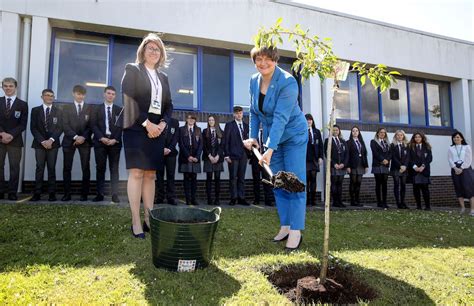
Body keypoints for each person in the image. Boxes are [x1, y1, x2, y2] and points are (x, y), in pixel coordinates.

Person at [243, 46, 307, 251]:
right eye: (258, 59)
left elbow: (280, 118)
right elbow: (254, 111)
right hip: (273, 137)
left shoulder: (288, 82)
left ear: (276, 60)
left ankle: (296, 230)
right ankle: (286, 225)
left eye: (267, 59)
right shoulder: (254, 80)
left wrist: (269, 149)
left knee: (293, 181)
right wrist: (253, 137)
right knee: (278, 181)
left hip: (293, 136)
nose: (262, 63)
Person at [120, 33, 173, 238]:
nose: (154, 51)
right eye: (150, 48)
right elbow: (128, 99)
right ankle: (135, 221)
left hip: (157, 129)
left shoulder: (164, 77)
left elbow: (169, 105)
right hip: (136, 126)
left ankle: (148, 218)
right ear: (142, 51)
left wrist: (162, 123)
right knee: (137, 173)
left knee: (151, 174)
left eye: (157, 49)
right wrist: (146, 123)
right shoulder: (132, 69)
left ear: (162, 54)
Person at [61, 85, 93, 201]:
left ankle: (84, 194)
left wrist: (83, 137)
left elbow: (91, 126)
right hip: (69, 141)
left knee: (85, 168)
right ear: (73, 94)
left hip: (85, 142)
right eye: (78, 94)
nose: (80, 96)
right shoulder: (66, 108)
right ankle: (67, 194)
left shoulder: (89, 108)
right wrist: (75, 137)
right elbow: (64, 125)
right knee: (67, 168)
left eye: (83, 94)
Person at [91, 86, 122, 203]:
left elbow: (121, 126)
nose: (110, 95)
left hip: (115, 143)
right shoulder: (96, 109)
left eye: (113, 94)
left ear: (115, 96)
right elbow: (93, 125)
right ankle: (100, 194)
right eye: (108, 93)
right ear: (104, 94)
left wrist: (115, 139)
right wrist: (101, 138)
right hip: (100, 143)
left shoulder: (119, 110)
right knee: (100, 168)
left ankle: (115, 195)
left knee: (114, 169)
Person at [30, 89, 62, 202]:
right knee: (39, 168)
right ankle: (37, 193)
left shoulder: (59, 111)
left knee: (51, 168)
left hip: (53, 144)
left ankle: (51, 193)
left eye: (52, 96)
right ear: (42, 97)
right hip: (39, 144)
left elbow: (60, 128)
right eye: (47, 95)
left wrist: (51, 140)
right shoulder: (35, 110)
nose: (49, 97)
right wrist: (43, 141)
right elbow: (33, 128)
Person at [0, 77, 28, 200]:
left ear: (15, 87)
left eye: (10, 86)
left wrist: (10, 134)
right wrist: (2, 134)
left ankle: (12, 192)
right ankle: (0, 191)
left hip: (15, 141)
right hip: (0, 139)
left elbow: (23, 124)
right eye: (5, 86)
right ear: (2, 87)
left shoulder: (22, 104)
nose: (8, 88)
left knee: (14, 167)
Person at [224, 106, 250, 206]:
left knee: (241, 178)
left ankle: (241, 198)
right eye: (237, 113)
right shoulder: (229, 125)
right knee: (233, 177)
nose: (239, 115)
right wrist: (226, 155)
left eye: (240, 113)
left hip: (243, 155)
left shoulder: (246, 126)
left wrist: (249, 154)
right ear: (234, 114)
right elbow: (225, 141)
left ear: (242, 114)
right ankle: (233, 198)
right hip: (233, 155)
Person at [178, 113, 202, 206]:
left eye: (193, 119)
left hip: (196, 158)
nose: (191, 120)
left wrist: (197, 156)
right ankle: (188, 199)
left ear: (195, 120)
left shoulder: (198, 130)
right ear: (186, 120)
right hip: (185, 158)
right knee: (186, 178)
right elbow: (181, 144)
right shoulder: (181, 129)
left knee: (194, 179)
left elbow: (201, 145)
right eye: (189, 118)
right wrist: (188, 156)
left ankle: (193, 199)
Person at [448, 131, 474, 216]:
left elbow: (469, 159)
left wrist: (462, 168)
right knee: (458, 188)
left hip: (466, 169)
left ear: (461, 138)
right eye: (454, 137)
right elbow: (450, 159)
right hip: (455, 169)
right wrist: (455, 168)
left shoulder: (467, 147)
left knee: (469, 188)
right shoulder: (450, 148)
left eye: (458, 137)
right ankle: (462, 208)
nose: (456, 138)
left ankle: (472, 209)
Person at [155, 117, 179, 205]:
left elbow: (176, 137)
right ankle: (160, 197)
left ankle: (171, 197)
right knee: (159, 176)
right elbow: (154, 135)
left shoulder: (175, 122)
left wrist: (169, 148)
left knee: (171, 176)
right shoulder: (156, 120)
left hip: (171, 153)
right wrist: (161, 149)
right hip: (158, 153)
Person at [249, 124, 274, 206]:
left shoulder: (268, 133)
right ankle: (256, 199)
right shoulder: (253, 134)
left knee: (266, 180)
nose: (260, 124)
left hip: (266, 161)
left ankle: (268, 200)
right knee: (256, 180)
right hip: (255, 160)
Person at [324, 125, 348, 208]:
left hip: (342, 166)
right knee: (334, 183)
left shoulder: (343, 141)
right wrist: (334, 164)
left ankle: (339, 201)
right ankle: (335, 201)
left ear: (339, 131)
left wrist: (343, 164)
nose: (335, 131)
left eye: (337, 130)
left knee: (340, 184)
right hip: (333, 166)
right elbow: (327, 153)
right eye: (333, 130)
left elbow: (346, 154)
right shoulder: (328, 141)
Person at [202, 115, 224, 206]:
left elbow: (222, 146)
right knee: (209, 179)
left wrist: (218, 156)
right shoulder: (205, 132)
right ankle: (209, 199)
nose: (211, 121)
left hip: (218, 159)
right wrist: (210, 156)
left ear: (216, 121)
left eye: (212, 120)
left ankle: (217, 199)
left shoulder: (221, 132)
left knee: (217, 179)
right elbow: (203, 145)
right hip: (208, 158)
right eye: (209, 120)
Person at [408, 132, 432, 210]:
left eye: (419, 137)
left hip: (424, 171)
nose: (417, 138)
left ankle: (427, 206)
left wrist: (423, 166)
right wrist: (415, 167)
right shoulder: (411, 147)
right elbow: (409, 158)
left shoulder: (427, 147)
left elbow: (429, 158)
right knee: (416, 189)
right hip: (414, 171)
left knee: (425, 188)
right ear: (413, 138)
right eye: (415, 137)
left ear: (422, 138)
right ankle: (419, 206)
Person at [346, 125, 368, 207]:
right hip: (352, 165)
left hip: (361, 165)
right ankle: (352, 201)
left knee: (358, 183)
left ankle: (357, 200)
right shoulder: (348, 142)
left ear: (359, 132)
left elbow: (365, 154)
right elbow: (347, 155)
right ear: (351, 133)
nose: (355, 132)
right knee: (353, 183)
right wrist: (347, 166)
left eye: (356, 131)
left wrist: (366, 165)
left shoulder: (361, 142)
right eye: (353, 131)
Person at [305, 114, 323, 206]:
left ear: (312, 121)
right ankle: (307, 200)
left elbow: (320, 145)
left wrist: (320, 157)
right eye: (307, 120)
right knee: (306, 180)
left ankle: (313, 200)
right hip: (305, 159)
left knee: (313, 179)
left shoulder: (317, 132)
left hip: (314, 159)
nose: (309, 121)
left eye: (310, 119)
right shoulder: (302, 131)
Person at [370, 127, 391, 208]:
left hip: (385, 165)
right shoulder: (373, 142)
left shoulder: (387, 143)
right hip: (377, 165)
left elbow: (390, 153)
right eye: (381, 132)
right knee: (378, 184)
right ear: (377, 133)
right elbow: (375, 153)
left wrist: (387, 160)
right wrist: (382, 159)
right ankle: (379, 202)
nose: (382, 134)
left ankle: (384, 202)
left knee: (385, 184)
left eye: (384, 132)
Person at [390, 130, 409, 209]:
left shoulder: (407, 146)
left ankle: (403, 202)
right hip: (396, 168)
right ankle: (398, 203)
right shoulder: (392, 145)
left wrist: (404, 166)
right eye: (398, 135)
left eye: (401, 135)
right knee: (397, 184)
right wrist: (400, 166)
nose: (400, 136)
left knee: (403, 185)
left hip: (404, 169)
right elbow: (393, 157)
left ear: (403, 136)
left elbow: (408, 157)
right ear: (395, 136)